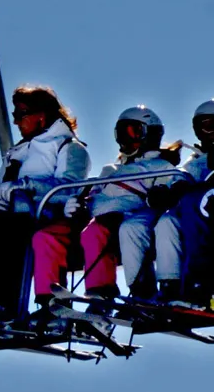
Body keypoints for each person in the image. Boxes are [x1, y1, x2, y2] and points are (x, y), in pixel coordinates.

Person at [0, 86, 91, 323]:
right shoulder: (17, 153)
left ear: (41, 115)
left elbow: (69, 188)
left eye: (21, 114)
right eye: (14, 115)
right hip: (10, 217)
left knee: (11, 234)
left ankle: (7, 307)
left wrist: (27, 186)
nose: (16, 121)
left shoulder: (68, 147)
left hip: (45, 217)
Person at [68, 106, 181, 302]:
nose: (125, 139)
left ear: (149, 134)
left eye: (132, 132)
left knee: (130, 229)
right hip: (101, 219)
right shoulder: (110, 170)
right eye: (121, 133)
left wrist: (159, 196)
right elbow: (93, 194)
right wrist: (78, 205)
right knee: (91, 233)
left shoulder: (160, 166)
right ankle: (99, 296)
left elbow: (165, 194)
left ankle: (144, 289)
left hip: (129, 217)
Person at [151, 98, 214, 304]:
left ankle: (206, 283)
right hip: (198, 213)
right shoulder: (197, 158)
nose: (206, 133)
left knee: (198, 202)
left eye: (211, 125)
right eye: (201, 127)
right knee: (166, 222)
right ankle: (170, 285)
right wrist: (168, 191)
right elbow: (182, 177)